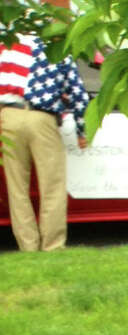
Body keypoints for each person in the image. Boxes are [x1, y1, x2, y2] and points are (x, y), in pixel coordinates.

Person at [0, 31, 89, 251]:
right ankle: (53, 246)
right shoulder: (57, 49)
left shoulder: (6, 44)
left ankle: (28, 247)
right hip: (43, 119)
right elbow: (78, 94)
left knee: (17, 188)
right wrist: (81, 130)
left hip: (8, 117)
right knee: (52, 187)